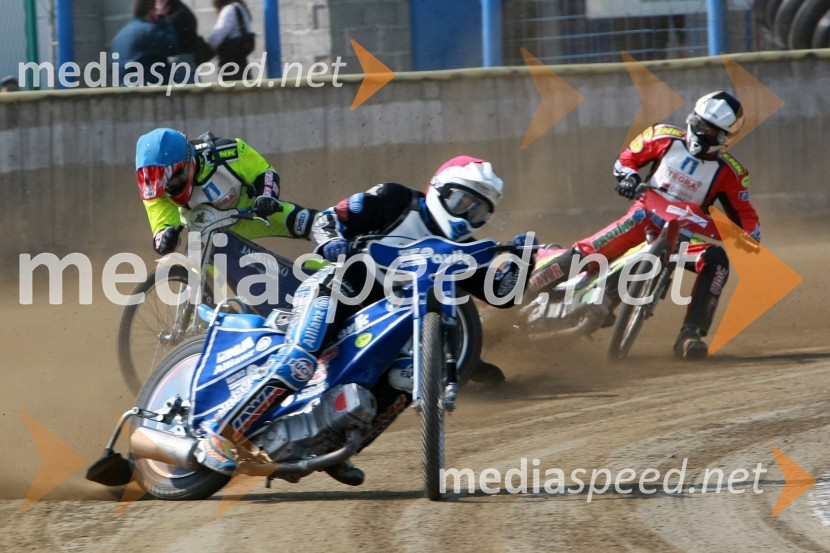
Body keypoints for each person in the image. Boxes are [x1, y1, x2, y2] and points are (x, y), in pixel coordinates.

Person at [196, 156, 535, 484]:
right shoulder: (394, 199)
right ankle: (222, 432)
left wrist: (523, 260)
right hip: (337, 291)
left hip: (383, 326)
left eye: (479, 212)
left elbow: (502, 295)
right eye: (462, 202)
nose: (467, 218)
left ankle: (335, 448)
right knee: (300, 360)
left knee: (405, 378)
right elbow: (329, 219)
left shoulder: (461, 251)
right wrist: (333, 244)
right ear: (439, 190)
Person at [529, 91, 760, 359]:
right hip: (642, 218)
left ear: (724, 138)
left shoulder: (732, 173)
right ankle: (518, 298)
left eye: (712, 132)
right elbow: (626, 159)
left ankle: (691, 335)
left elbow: (747, 217)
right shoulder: (662, 135)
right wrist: (628, 179)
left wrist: (748, 237)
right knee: (586, 253)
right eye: (700, 124)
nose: (702, 133)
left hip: (683, 236)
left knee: (717, 260)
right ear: (692, 118)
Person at [135, 128, 317, 256]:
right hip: (205, 238)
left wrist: (266, 197)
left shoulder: (228, 151)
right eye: (163, 186)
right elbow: (162, 229)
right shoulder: (155, 191)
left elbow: (265, 172)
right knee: (195, 273)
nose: (169, 189)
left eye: (172, 180)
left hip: (249, 215)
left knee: (307, 220)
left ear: (187, 163)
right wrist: (165, 238)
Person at [111, 0, 181, 86]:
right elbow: (174, 47)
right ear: (151, 12)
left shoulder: (119, 36)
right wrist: (162, 18)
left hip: (124, 90)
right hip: (148, 90)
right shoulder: (149, 31)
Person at [155, 0, 212, 82]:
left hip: (180, 67)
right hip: (186, 66)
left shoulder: (179, 15)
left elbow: (161, 38)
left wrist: (160, 17)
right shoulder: (180, 11)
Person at [206, 0, 254, 81]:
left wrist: (203, 52)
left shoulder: (229, 10)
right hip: (241, 63)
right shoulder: (241, 7)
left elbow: (216, 37)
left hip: (232, 66)